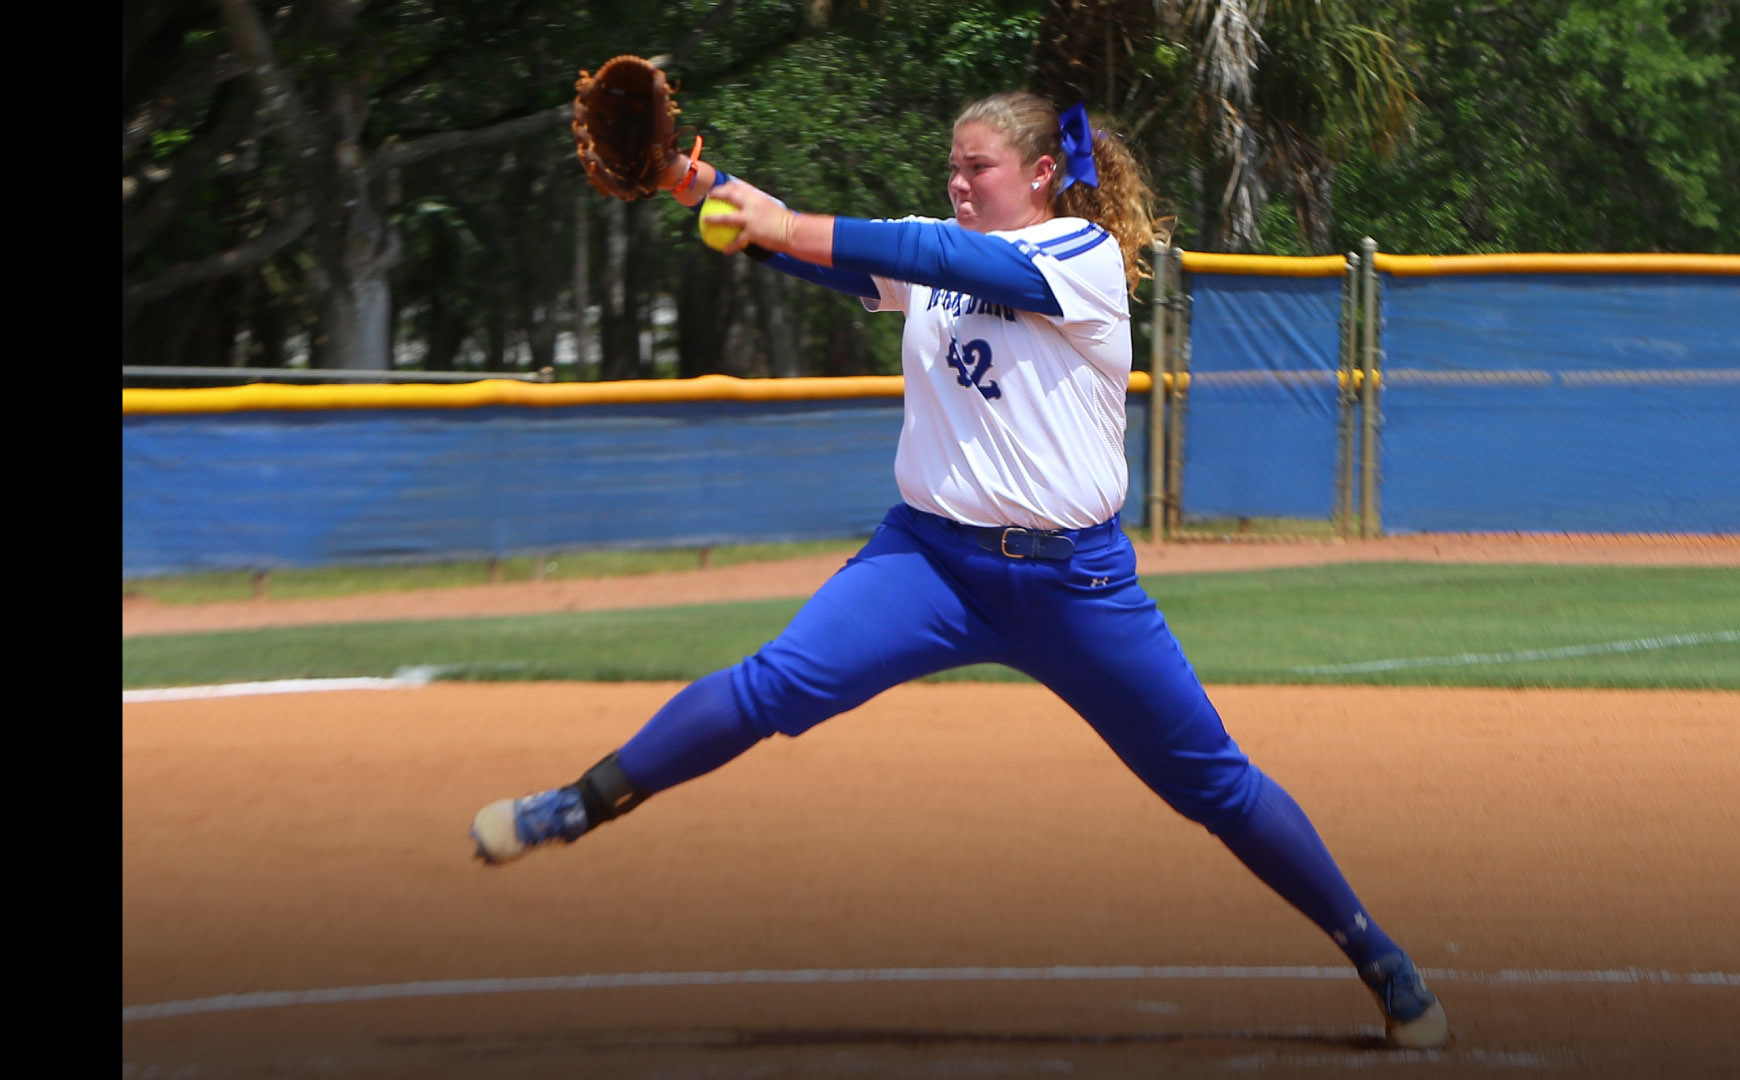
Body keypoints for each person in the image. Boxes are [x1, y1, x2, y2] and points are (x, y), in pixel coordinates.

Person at [471, 91, 1449, 1050]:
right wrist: (696, 182)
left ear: (1041, 173)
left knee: (1212, 784)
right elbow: (805, 245)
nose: (959, 182)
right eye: (952, 166)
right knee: (775, 684)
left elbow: (928, 255)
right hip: (930, 564)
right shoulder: (932, 250)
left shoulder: (1076, 255)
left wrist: (783, 223)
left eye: (978, 166)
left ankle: (1377, 955)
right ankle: (576, 804)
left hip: (1075, 586)